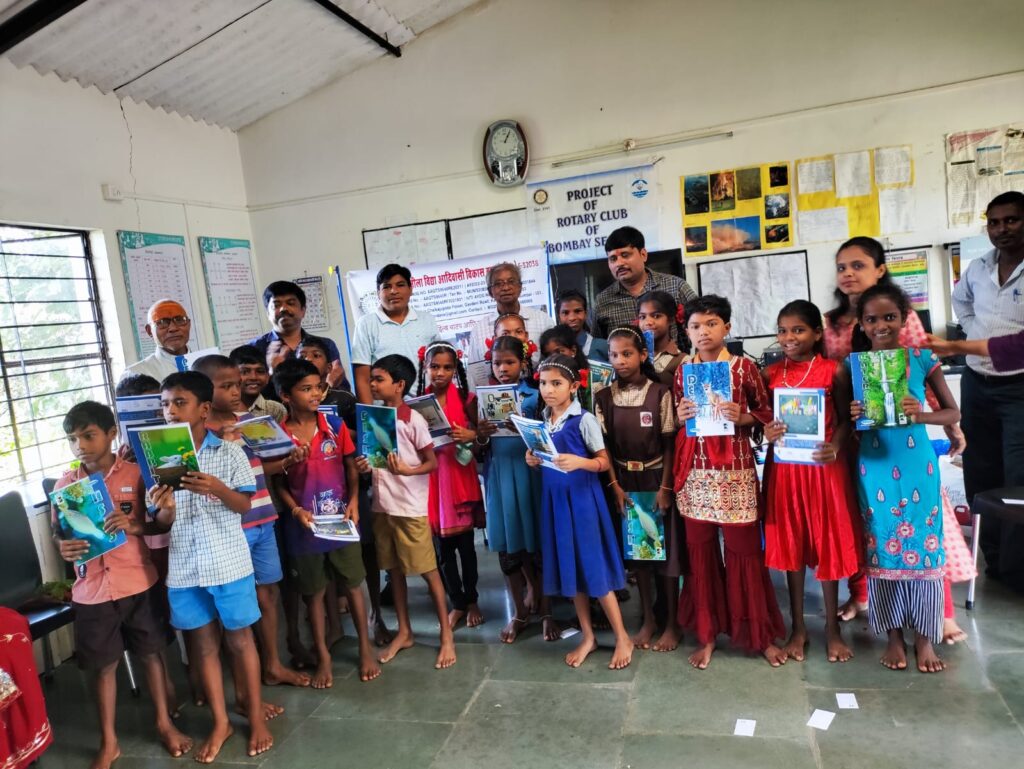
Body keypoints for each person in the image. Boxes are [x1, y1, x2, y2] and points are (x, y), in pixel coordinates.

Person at [824, 235, 965, 620]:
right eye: (841, 267)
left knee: (925, 522)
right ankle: (863, 596)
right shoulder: (832, 323)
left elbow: (920, 375)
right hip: (860, 433)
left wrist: (947, 425)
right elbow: (833, 380)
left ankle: (938, 613)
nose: (848, 273)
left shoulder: (907, 323)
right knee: (868, 519)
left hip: (909, 437)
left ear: (880, 270)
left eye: (858, 265)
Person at [51, 401, 188, 769]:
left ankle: (164, 723)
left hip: (137, 580)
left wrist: (141, 522)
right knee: (103, 666)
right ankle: (109, 742)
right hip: (92, 590)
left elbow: (160, 523)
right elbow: (59, 533)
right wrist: (62, 545)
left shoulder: (138, 474)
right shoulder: (67, 485)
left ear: (112, 434)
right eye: (72, 439)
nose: (80, 445)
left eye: (88, 436)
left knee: (152, 655)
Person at [155, 371, 272, 762]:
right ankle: (221, 722)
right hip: (184, 567)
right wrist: (165, 508)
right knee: (203, 646)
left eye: (179, 402)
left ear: (204, 409)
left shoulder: (229, 452)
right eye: (165, 404)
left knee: (240, 641)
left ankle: (255, 716)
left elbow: (244, 505)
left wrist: (217, 488)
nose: (170, 411)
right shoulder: (158, 458)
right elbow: (161, 522)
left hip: (228, 564)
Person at [849, 284, 960, 673]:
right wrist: (853, 413)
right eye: (872, 319)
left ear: (903, 319)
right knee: (882, 547)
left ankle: (925, 638)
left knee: (925, 547)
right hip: (874, 464)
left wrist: (921, 414)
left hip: (917, 465)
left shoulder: (922, 359)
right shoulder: (855, 365)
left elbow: (953, 413)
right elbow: (845, 422)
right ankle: (894, 637)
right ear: (861, 324)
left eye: (889, 317)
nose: (881, 325)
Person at [673, 296, 786, 669]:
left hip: (736, 474)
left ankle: (758, 636)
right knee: (701, 556)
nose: (703, 332)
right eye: (695, 326)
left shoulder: (744, 368)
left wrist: (744, 417)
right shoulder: (682, 371)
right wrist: (680, 414)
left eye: (711, 324)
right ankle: (707, 635)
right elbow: (677, 421)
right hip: (695, 475)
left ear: (727, 327)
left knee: (744, 554)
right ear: (687, 331)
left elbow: (766, 413)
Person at [191, 355, 311, 696]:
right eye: (226, 386)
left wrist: (287, 460)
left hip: (263, 518)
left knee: (268, 593)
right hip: (230, 528)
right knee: (236, 604)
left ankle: (272, 664)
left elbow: (260, 467)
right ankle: (244, 681)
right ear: (205, 393)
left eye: (237, 384)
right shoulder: (200, 435)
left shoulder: (248, 421)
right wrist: (222, 446)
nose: (236, 391)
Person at [762, 301, 863, 663]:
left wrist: (835, 446)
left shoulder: (834, 371)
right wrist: (767, 431)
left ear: (817, 333)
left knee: (827, 541)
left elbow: (847, 420)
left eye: (798, 330)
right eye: (783, 330)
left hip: (824, 469)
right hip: (786, 471)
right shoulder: (770, 373)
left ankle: (832, 630)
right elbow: (763, 419)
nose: (789, 337)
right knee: (791, 544)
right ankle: (798, 629)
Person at [272, 358, 381, 687]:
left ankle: (365, 648)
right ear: (285, 395)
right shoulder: (280, 434)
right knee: (314, 595)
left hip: (341, 520)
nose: (315, 394)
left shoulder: (334, 425)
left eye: (318, 387)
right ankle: (323, 657)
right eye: (305, 389)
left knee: (353, 586)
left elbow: (350, 466)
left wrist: (354, 501)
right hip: (304, 527)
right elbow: (278, 481)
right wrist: (295, 510)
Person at [528, 354, 633, 670]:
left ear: (574, 386)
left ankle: (622, 637)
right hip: (556, 503)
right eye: (544, 383)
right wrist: (533, 459)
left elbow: (603, 461)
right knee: (571, 568)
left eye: (556, 383)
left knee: (594, 568)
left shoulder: (583, 419)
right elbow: (545, 457)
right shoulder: (543, 419)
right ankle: (588, 636)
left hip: (583, 502)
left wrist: (580, 462)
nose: (548, 390)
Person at [353, 354, 456, 669]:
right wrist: (364, 466)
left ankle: (446, 636)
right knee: (393, 570)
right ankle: (405, 631)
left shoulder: (413, 419)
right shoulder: (373, 418)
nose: (372, 385)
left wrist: (409, 471)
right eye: (372, 379)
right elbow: (373, 460)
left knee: (428, 571)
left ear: (399, 385)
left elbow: (431, 462)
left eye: (379, 379)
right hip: (382, 505)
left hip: (409, 508)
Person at [951, 191, 1024, 591]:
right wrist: (973, 331)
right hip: (977, 382)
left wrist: (966, 344)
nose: (1001, 229)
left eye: (1011, 220)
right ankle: (994, 560)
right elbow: (960, 301)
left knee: (1018, 476)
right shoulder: (979, 267)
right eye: (994, 222)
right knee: (980, 471)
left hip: (1019, 387)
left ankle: (1017, 567)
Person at [595, 326, 683, 653]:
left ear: (643, 355)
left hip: (656, 479)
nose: (620, 361)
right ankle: (648, 619)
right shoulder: (604, 397)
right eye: (614, 355)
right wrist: (615, 487)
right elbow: (604, 447)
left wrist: (666, 487)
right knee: (639, 554)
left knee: (666, 554)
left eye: (627, 354)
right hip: (625, 483)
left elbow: (670, 443)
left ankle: (672, 622)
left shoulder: (660, 393)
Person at [475, 336, 556, 642]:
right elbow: (480, 449)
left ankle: (546, 612)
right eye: (497, 363)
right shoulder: (483, 398)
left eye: (509, 362)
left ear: (523, 363)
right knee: (509, 545)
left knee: (538, 544)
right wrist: (481, 435)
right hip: (499, 477)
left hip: (530, 476)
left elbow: (547, 440)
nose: (503, 368)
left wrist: (523, 427)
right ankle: (519, 613)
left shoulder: (535, 396)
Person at [415, 342, 486, 629]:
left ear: (455, 369)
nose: (440, 373)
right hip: (433, 483)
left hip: (459, 480)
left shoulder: (468, 399)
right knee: (443, 552)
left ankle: (472, 599)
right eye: (434, 367)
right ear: (425, 367)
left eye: (447, 367)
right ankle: (456, 603)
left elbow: (482, 441)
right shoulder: (417, 403)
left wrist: (471, 435)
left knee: (467, 549)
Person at [351, 264, 439, 403]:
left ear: (410, 289)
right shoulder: (366, 324)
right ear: (378, 293)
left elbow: (438, 365)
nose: (394, 291)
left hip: (425, 404)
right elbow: (362, 378)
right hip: (386, 410)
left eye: (400, 285)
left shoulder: (427, 320)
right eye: (386, 287)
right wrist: (370, 414)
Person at [248, 281, 350, 398]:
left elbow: (344, 392)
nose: (283, 309)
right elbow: (247, 396)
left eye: (290, 303)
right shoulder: (254, 348)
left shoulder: (325, 344)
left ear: (303, 310)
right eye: (276, 305)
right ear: (267, 313)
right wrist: (272, 373)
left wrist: (330, 385)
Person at [594, 227, 696, 339]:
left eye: (625, 255)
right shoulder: (602, 301)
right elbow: (598, 344)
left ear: (643, 255)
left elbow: (702, 323)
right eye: (613, 259)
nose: (619, 263)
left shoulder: (676, 286)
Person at [468, 262, 554, 363]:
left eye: (511, 281)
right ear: (490, 292)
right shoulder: (478, 331)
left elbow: (556, 359)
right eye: (498, 283)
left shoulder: (543, 321)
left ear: (520, 287)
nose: (506, 288)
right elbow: (475, 370)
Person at [121, 299, 193, 382]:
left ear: (189, 324)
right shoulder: (135, 374)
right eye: (162, 322)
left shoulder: (205, 364)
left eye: (179, 320)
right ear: (149, 331)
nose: (173, 328)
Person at [297, 336, 357, 428]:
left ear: (329, 368)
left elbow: (362, 433)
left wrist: (337, 431)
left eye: (316, 355)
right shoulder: (291, 400)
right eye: (302, 357)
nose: (308, 359)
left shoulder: (345, 399)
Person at [229, 345, 288, 424]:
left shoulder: (275, 409)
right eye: (245, 372)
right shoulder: (223, 409)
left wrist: (244, 415)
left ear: (267, 377)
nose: (253, 377)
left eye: (260, 371)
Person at [638, 290, 686, 386]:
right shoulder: (633, 355)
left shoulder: (683, 361)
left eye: (656, 316)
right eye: (642, 317)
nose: (648, 322)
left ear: (671, 320)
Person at [555, 288, 608, 363]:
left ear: (586, 314)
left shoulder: (603, 346)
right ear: (559, 317)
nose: (572, 318)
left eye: (578, 311)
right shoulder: (553, 348)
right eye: (565, 313)